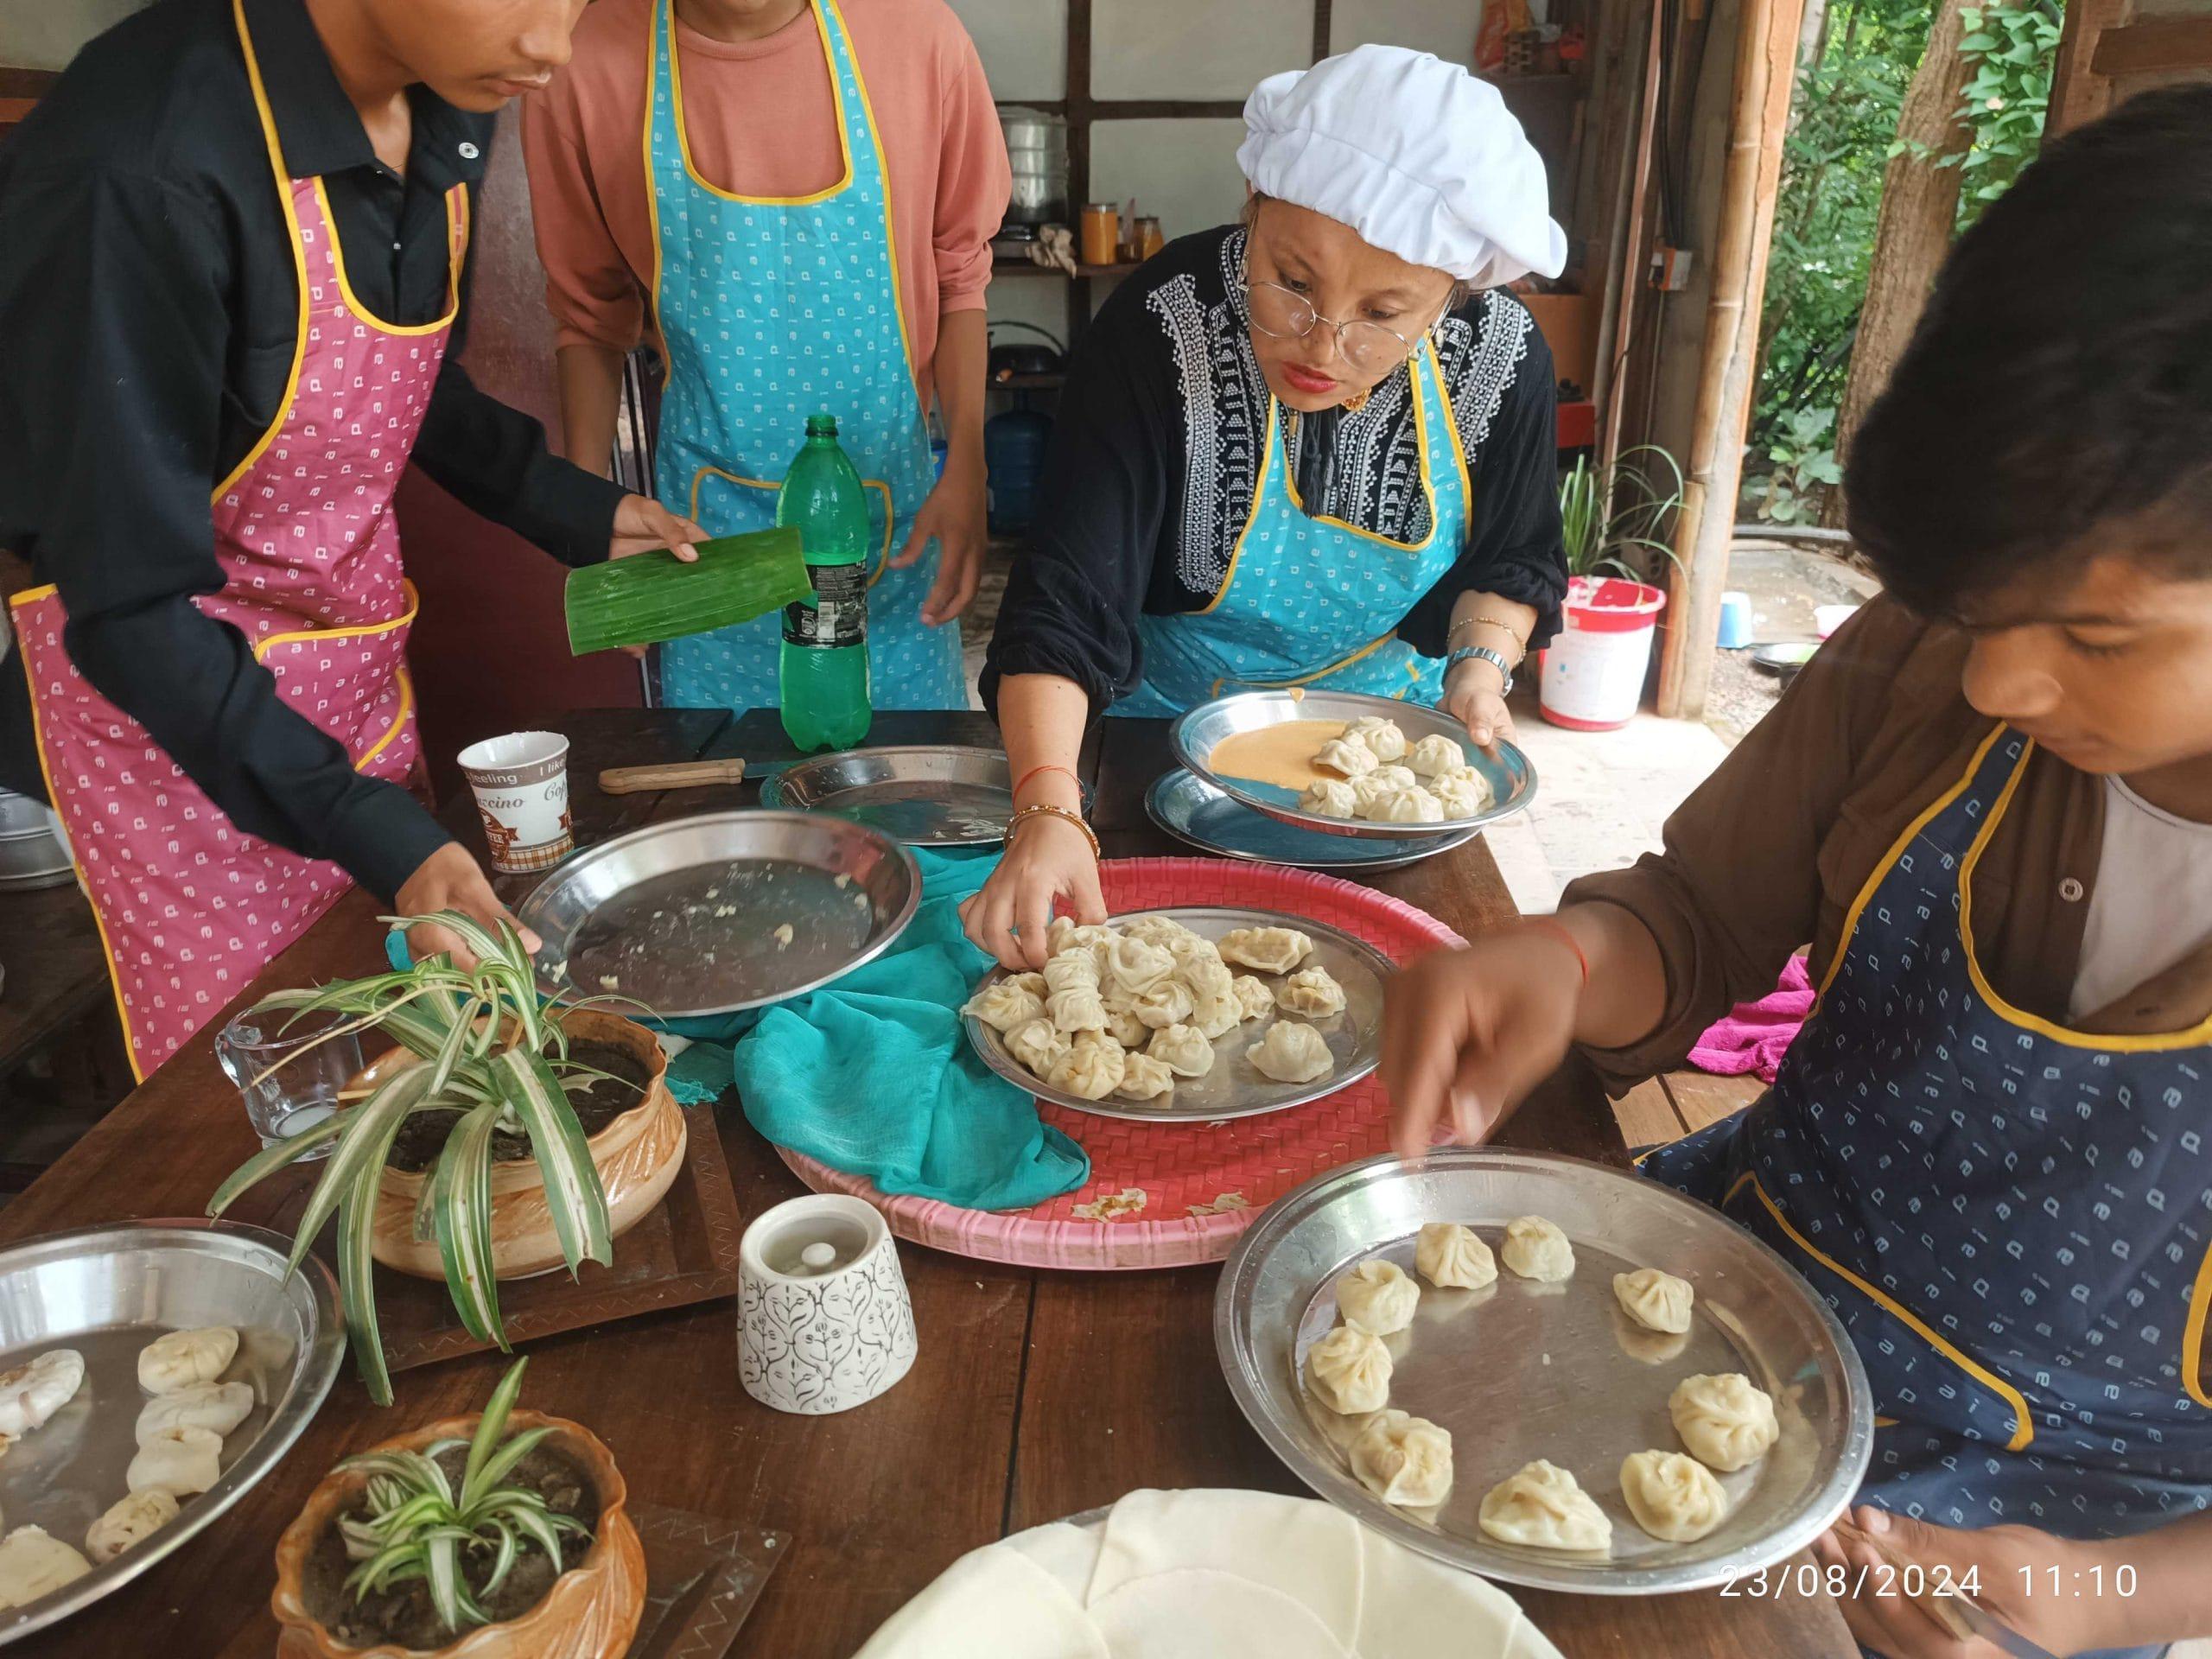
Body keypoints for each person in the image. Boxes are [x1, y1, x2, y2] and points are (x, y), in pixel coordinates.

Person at [1382, 86, 2212, 1659]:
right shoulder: (1925, 655)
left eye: (2095, 636)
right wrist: (1561, 968)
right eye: (1977, 610)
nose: (1997, 687)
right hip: (1735, 1304)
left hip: (2062, 1529)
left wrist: (2124, 1594)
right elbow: (1696, 919)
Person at [0, 0, 708, 1080]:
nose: (555, 48)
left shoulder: (441, 103)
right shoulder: (138, 167)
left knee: (404, 1067)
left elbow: (389, 377)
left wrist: (571, 506)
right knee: (266, 1104)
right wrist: (379, 835)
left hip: (352, 693)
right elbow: (129, 605)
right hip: (183, 737)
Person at [966, 46, 1570, 969]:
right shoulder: (1159, 328)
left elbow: (1510, 558)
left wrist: (1480, 672)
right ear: (1251, 213)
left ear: (1451, 295)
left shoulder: (1500, 359)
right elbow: (1066, 598)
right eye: (1291, 279)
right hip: (1153, 750)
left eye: (1383, 311)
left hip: (1387, 783)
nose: (1322, 343)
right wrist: (1047, 808)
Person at [520, 0, 1009, 714]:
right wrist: (589, 515)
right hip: (708, 539)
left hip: (888, 535)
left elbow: (960, 273)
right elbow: (591, 320)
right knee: (728, 811)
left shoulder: (918, 36)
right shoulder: (585, 60)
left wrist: (966, 463)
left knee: (904, 800)